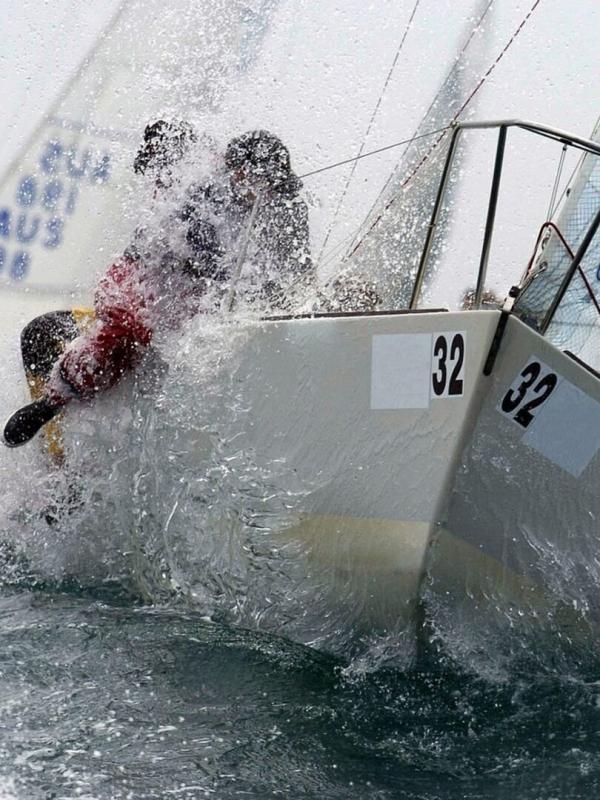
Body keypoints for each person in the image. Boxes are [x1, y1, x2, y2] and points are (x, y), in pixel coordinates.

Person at [3, 125, 314, 449]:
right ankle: (51, 403)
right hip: (144, 280)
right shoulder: (205, 192)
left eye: (274, 185)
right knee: (126, 331)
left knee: (185, 323)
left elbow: (296, 268)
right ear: (239, 173)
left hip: (191, 300)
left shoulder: (283, 201)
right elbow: (196, 258)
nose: (269, 192)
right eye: (263, 183)